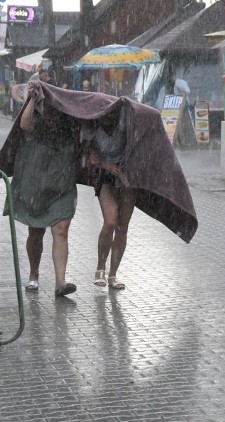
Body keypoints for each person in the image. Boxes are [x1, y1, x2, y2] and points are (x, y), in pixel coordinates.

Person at [7, 84, 80, 298]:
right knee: (36, 233)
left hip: (61, 188)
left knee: (61, 230)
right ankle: (34, 273)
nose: (52, 113)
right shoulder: (36, 123)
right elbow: (25, 124)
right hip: (36, 188)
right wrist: (31, 97)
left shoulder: (70, 125)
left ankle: (60, 282)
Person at [81, 107, 134, 290]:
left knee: (122, 227)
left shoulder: (125, 125)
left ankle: (113, 274)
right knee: (110, 221)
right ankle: (100, 268)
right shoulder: (93, 127)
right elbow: (89, 156)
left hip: (127, 176)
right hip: (105, 176)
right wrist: (105, 164)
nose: (109, 119)